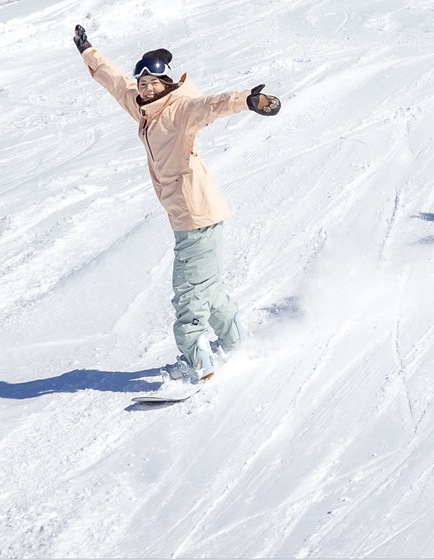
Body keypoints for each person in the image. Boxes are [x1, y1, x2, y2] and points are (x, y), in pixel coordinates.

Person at [74, 24, 281, 385]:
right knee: (208, 288)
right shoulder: (143, 109)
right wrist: (89, 53)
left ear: (166, 84)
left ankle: (197, 363)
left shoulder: (178, 109)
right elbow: (115, 81)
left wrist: (247, 99)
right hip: (193, 215)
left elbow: (209, 106)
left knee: (188, 295)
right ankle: (237, 342)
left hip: (196, 215)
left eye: (153, 83)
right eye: (143, 83)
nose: (146, 87)